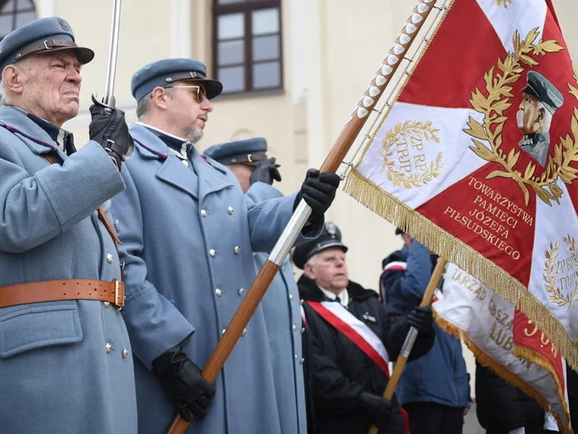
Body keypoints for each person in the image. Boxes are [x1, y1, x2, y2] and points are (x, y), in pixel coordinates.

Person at [110, 58, 339, 434]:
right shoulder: (125, 165)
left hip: (240, 361)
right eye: (198, 94)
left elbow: (246, 227)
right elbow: (122, 267)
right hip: (182, 359)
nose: (208, 105)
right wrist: (167, 355)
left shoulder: (215, 173)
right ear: (160, 98)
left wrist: (300, 207)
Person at [0, 16, 137, 433]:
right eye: (58, 64)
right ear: (13, 78)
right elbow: (14, 218)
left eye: (77, 67)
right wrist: (102, 155)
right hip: (35, 371)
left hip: (96, 368)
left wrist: (94, 157)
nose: (75, 76)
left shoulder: (68, 160)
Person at [204, 137, 307, 434]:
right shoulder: (218, 213)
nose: (259, 174)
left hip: (285, 381)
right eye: (249, 167)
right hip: (250, 384)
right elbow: (235, 232)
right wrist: (261, 190)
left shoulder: (263, 213)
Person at [297, 223, 435, 434]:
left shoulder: (366, 300)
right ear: (310, 270)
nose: (340, 264)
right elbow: (318, 371)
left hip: (382, 419)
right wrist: (359, 398)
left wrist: (418, 327)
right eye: (329, 259)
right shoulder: (302, 310)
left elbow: (396, 339)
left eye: (342, 259)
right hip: (337, 424)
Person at [381, 230, 471, 434]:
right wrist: (420, 240)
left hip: (452, 395)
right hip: (421, 393)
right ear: (407, 235)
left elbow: (454, 338)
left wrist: (462, 387)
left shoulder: (441, 273)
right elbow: (418, 290)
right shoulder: (396, 268)